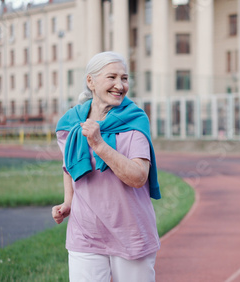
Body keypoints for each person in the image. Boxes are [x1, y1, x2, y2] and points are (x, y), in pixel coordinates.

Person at [52, 51, 161, 282]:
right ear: (90, 81)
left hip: (130, 232)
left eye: (124, 78)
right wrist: (68, 202)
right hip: (85, 232)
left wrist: (99, 144)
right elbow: (69, 166)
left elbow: (139, 177)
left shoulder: (134, 120)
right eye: (111, 77)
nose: (120, 85)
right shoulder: (72, 122)